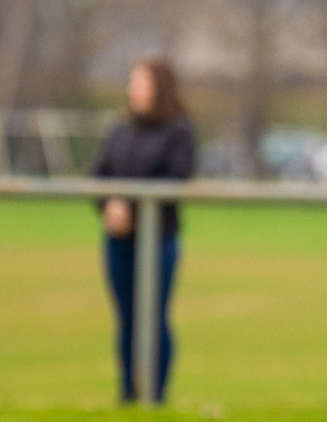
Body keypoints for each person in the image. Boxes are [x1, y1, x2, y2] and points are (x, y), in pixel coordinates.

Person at [92, 56, 196, 403]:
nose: (131, 88)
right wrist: (110, 205)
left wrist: (134, 208)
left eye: (139, 81)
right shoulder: (120, 129)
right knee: (126, 318)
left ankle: (156, 394)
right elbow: (99, 174)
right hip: (118, 239)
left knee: (154, 316)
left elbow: (176, 178)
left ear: (158, 86)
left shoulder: (179, 130)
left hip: (159, 238)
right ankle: (127, 393)